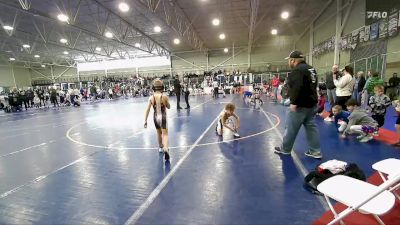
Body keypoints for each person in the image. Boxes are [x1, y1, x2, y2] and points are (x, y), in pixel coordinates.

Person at [274, 50, 322, 159]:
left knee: (291, 128)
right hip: (312, 104)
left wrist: (294, 102)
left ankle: (285, 149)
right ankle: (315, 151)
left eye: (289, 61)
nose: (289, 63)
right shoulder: (311, 69)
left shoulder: (297, 70)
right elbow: (314, 85)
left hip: (300, 104)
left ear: (293, 60)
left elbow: (297, 86)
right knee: (311, 128)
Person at [144, 79, 171, 161]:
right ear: (162, 88)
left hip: (155, 117)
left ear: (153, 88)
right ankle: (166, 148)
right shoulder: (165, 97)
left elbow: (147, 110)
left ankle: (160, 147)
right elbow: (169, 107)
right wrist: (166, 102)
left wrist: (145, 121)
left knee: (158, 133)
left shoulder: (151, 98)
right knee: (165, 134)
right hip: (163, 117)